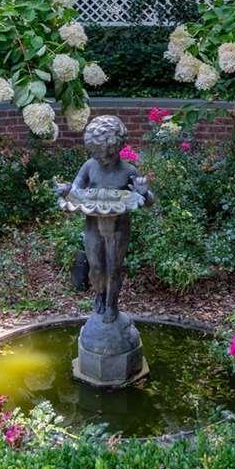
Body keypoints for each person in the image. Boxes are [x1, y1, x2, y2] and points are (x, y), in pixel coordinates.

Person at [66, 115, 151, 319]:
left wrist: (144, 193)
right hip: (93, 225)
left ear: (114, 149)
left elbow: (148, 201)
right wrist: (66, 191)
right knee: (96, 265)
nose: (97, 157)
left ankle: (112, 303)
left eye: (100, 153)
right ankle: (100, 294)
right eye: (93, 152)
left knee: (114, 267)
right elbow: (75, 188)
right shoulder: (89, 166)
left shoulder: (128, 171)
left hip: (119, 228)